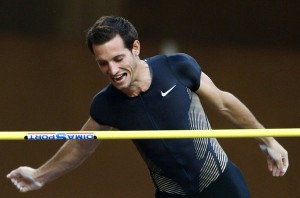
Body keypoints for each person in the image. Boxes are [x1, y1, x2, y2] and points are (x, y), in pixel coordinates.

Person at [7, 16, 289, 198]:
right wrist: (39, 175)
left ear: (136, 48)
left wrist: (268, 140)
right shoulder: (106, 104)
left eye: (118, 59)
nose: (112, 70)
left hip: (221, 184)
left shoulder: (176, 67)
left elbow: (225, 104)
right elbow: (80, 145)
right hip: (171, 193)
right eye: (102, 63)